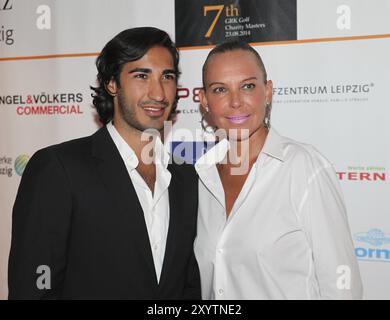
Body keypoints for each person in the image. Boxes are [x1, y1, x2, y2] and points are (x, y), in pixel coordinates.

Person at [8, 27, 200, 299]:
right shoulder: (59, 168)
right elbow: (34, 286)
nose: (158, 93)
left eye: (167, 77)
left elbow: (188, 286)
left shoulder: (187, 180)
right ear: (112, 83)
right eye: (141, 75)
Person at [194, 40, 363, 299]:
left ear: (268, 91)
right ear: (204, 100)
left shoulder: (304, 169)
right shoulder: (202, 177)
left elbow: (342, 287)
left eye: (248, 86)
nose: (236, 101)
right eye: (220, 90)